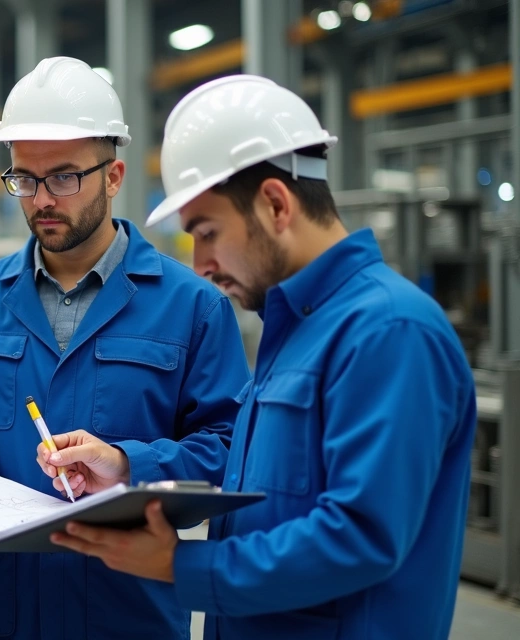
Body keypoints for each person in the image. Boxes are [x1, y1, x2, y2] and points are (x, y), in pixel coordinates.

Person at [44, 74, 476, 639]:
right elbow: (254, 487)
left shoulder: (388, 331)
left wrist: (179, 565)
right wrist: (129, 467)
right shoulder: (295, 330)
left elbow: (360, 535)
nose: (199, 264)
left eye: (207, 232)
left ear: (275, 204)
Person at [0, 56, 249, 639]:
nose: (41, 199)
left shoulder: (193, 307)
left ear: (113, 176)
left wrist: (127, 466)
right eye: (24, 179)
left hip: (128, 614)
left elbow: (230, 447)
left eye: (64, 177)